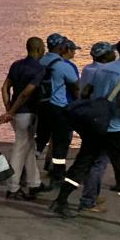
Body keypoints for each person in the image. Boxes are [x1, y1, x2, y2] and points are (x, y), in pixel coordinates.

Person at [49, 38, 120, 227]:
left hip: (96, 126)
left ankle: (61, 200)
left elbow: (87, 92)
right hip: (116, 128)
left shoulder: (103, 69)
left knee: (83, 163)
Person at [0, 38, 47, 201]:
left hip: (16, 113)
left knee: (28, 146)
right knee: (20, 148)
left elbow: (4, 87)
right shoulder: (39, 69)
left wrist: (8, 109)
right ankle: (13, 187)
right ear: (39, 49)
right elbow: (26, 93)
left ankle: (34, 182)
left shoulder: (16, 65)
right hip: (28, 112)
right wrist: (11, 111)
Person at [35, 35, 81, 187]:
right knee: (60, 144)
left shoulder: (40, 61)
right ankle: (58, 175)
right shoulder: (63, 66)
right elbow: (76, 87)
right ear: (61, 48)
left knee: (40, 141)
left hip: (42, 107)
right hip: (59, 108)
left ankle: (28, 168)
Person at [76, 42, 116, 214]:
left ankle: (92, 192)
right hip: (100, 119)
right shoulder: (104, 72)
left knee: (89, 157)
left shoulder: (87, 69)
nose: (115, 55)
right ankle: (89, 198)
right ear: (105, 56)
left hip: (85, 117)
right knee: (99, 162)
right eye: (112, 53)